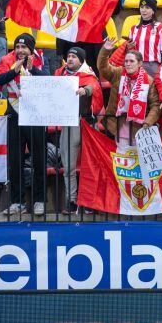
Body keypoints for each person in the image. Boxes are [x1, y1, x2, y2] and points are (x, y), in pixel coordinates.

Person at [0, 33, 48, 216]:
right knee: (15, 160)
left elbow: (49, 80)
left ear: (31, 49)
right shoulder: (7, 60)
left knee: (39, 160)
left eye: (24, 47)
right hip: (14, 115)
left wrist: (32, 70)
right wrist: (14, 70)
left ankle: (40, 200)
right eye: (17, 46)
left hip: (35, 116)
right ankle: (17, 202)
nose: (20, 50)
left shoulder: (40, 59)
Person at [54, 46, 104, 214]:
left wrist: (85, 90)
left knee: (91, 165)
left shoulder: (88, 75)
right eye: (68, 56)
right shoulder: (59, 74)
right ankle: (72, 201)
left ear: (81, 60)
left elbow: (94, 87)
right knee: (68, 166)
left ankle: (90, 202)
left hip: (87, 123)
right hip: (69, 123)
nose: (70, 59)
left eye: (74, 57)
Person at [97, 39, 161, 146]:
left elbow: (156, 105)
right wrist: (105, 50)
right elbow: (102, 67)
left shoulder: (149, 81)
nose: (128, 64)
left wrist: (148, 122)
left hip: (139, 129)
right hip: (118, 126)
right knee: (120, 155)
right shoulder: (118, 73)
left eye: (131, 61)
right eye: (126, 61)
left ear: (140, 63)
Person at [127, 0, 162, 76]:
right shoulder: (133, 29)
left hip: (153, 67)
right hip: (136, 66)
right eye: (142, 7)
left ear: (153, 10)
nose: (143, 10)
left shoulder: (161, 28)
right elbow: (130, 52)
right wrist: (128, 47)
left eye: (147, 7)